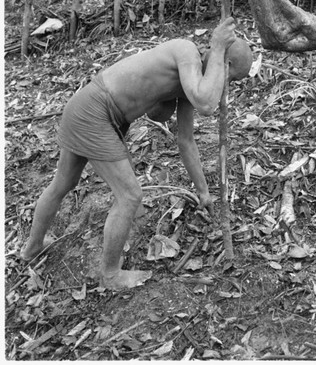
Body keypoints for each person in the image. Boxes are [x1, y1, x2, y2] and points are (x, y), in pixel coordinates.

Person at [21, 17, 252, 290]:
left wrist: (203, 191)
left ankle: (32, 248)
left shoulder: (189, 84)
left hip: (91, 111)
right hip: (95, 110)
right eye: (231, 79)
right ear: (223, 64)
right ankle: (110, 275)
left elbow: (186, 141)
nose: (227, 87)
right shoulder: (185, 51)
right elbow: (206, 103)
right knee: (129, 196)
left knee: (64, 183)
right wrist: (217, 45)